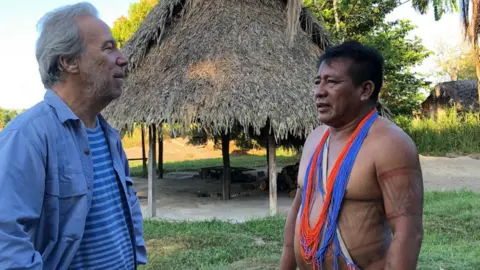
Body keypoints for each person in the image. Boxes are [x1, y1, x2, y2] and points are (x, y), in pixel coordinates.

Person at [0, 2, 147, 269]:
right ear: (68, 61)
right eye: (108, 47)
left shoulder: (109, 135)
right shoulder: (27, 137)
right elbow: (5, 241)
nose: (123, 57)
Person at [280, 41, 424, 270]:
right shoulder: (315, 139)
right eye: (318, 82)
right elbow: (299, 208)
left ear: (365, 90)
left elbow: (408, 232)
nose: (319, 92)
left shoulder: (390, 144)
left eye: (332, 82)